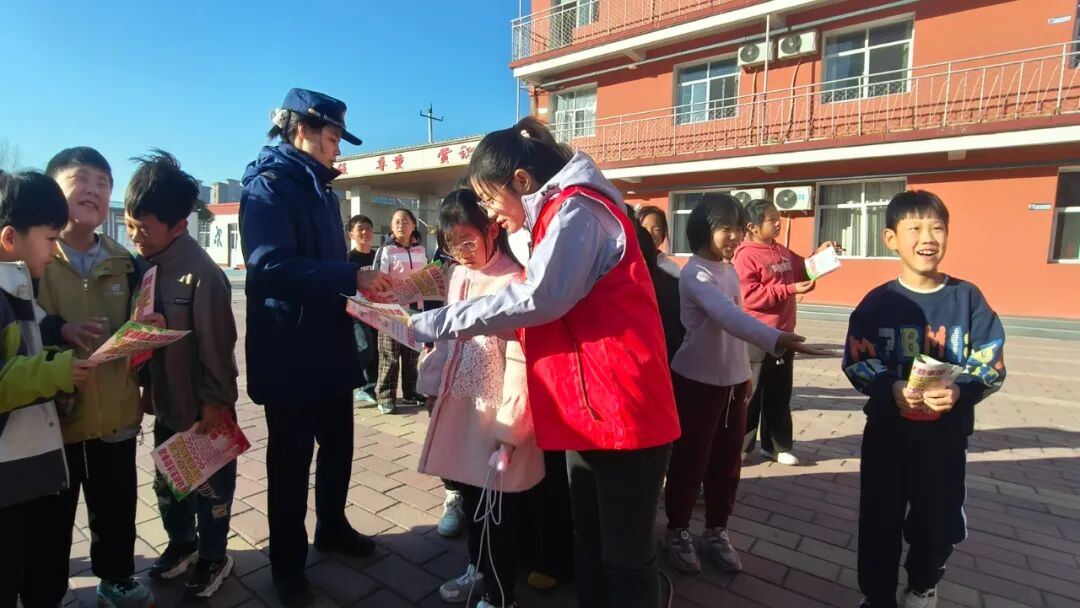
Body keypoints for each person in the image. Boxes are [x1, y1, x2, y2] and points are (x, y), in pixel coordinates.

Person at [409, 117, 680, 608]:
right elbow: (544, 312)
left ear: (520, 180)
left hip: (624, 410)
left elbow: (540, 299)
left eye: (489, 198)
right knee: (591, 543)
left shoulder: (578, 210)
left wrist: (437, 323)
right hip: (588, 409)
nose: (490, 212)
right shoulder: (554, 216)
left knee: (626, 555)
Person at [239, 88, 391, 607]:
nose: (337, 149)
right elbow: (268, 267)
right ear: (301, 130)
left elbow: (327, 269)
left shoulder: (323, 190)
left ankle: (332, 526)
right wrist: (350, 275)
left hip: (329, 342)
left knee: (339, 445)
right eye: (332, 138)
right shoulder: (268, 186)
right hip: (289, 351)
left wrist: (362, 290)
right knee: (290, 462)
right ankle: (287, 564)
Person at [843, 190, 1005, 608]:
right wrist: (890, 389)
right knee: (879, 520)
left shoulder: (967, 298)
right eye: (914, 228)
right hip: (887, 436)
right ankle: (878, 596)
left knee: (936, 521)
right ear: (891, 239)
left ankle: (922, 585)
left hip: (945, 439)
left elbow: (990, 362)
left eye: (937, 228)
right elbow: (857, 361)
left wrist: (961, 390)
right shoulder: (878, 303)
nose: (927, 237)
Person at [663, 193, 825, 575]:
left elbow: (736, 323)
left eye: (737, 228)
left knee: (727, 462)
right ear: (703, 229)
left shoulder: (729, 269)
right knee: (691, 460)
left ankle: (716, 529)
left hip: (734, 382)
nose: (734, 236)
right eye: (726, 228)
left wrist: (745, 375)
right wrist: (777, 338)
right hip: (697, 381)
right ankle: (678, 529)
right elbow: (728, 316)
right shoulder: (695, 273)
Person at [36, 147, 154, 608]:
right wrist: (59, 331)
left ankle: (116, 578)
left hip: (115, 410)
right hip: (55, 415)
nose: (94, 190)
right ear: (53, 189)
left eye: (103, 183)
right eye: (81, 179)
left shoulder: (126, 261)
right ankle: (45, 590)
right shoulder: (32, 256)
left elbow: (139, 324)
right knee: (50, 513)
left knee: (116, 503)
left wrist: (149, 329)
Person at [417, 189, 544, 608]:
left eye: (468, 241)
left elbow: (521, 360)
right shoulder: (458, 276)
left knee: (499, 508)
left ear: (492, 230)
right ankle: (477, 568)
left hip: (497, 413)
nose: (461, 253)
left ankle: (499, 594)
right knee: (473, 497)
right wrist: (432, 386)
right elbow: (445, 339)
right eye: (452, 244)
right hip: (461, 404)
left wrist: (511, 431)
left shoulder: (516, 281)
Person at [123, 151, 240, 600]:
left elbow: (218, 347)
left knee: (211, 492)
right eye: (129, 226)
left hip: (203, 413)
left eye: (143, 229)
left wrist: (216, 402)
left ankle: (214, 555)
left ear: (178, 226)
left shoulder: (202, 275)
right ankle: (182, 544)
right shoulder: (145, 267)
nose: (134, 237)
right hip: (168, 406)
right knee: (169, 485)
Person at [0, 171, 98, 607]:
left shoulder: (18, 287)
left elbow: (31, 344)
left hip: (23, 474)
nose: (55, 250)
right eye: (49, 238)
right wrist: (58, 371)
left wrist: (60, 351)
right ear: (10, 238)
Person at [734, 199, 840, 465]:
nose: (778, 223)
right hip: (757, 335)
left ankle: (777, 446)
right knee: (751, 395)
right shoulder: (745, 256)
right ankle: (740, 447)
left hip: (784, 333)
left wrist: (820, 256)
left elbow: (803, 269)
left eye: (777, 218)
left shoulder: (780, 251)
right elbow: (750, 296)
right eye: (771, 219)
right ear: (753, 227)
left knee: (779, 393)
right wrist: (790, 289)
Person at [372, 207, 428, 414]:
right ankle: (385, 396)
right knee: (390, 356)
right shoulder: (386, 250)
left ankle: (411, 392)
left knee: (412, 356)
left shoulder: (421, 250)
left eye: (405, 221)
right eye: (396, 221)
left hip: (415, 311)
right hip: (391, 311)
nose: (400, 225)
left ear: (413, 225)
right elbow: (376, 280)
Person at [347, 214, 378, 404]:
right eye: (360, 229)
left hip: (377, 310)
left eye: (368, 228)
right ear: (351, 235)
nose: (365, 232)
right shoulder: (348, 259)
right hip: (357, 312)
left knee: (375, 351)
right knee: (365, 346)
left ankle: (368, 388)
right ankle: (348, 376)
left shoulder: (377, 257)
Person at [637, 205, 680, 277]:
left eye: (656, 230)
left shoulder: (671, 270)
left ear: (663, 233)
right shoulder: (628, 265)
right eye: (644, 229)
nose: (650, 234)